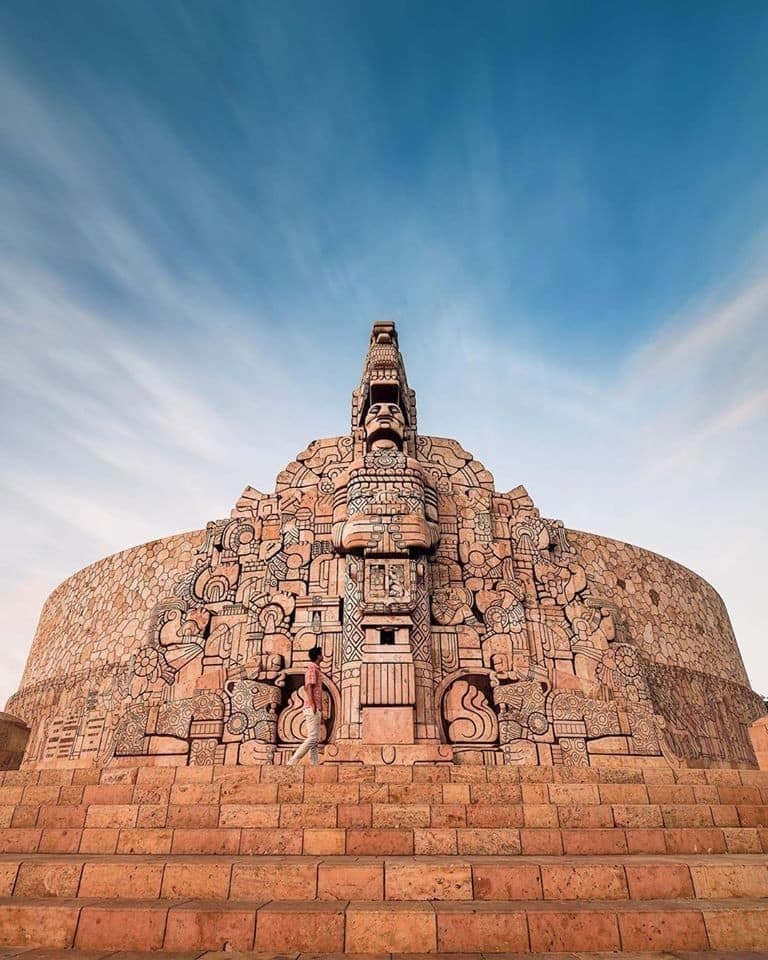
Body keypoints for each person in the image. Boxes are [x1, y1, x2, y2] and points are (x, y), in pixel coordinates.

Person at [286, 646, 324, 766]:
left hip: (315, 706)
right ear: (318, 656)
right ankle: (293, 760)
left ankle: (314, 763)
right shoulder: (312, 668)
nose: (323, 656)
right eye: (321, 654)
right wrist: (313, 704)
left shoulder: (316, 669)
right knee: (312, 738)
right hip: (311, 706)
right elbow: (309, 686)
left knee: (315, 739)